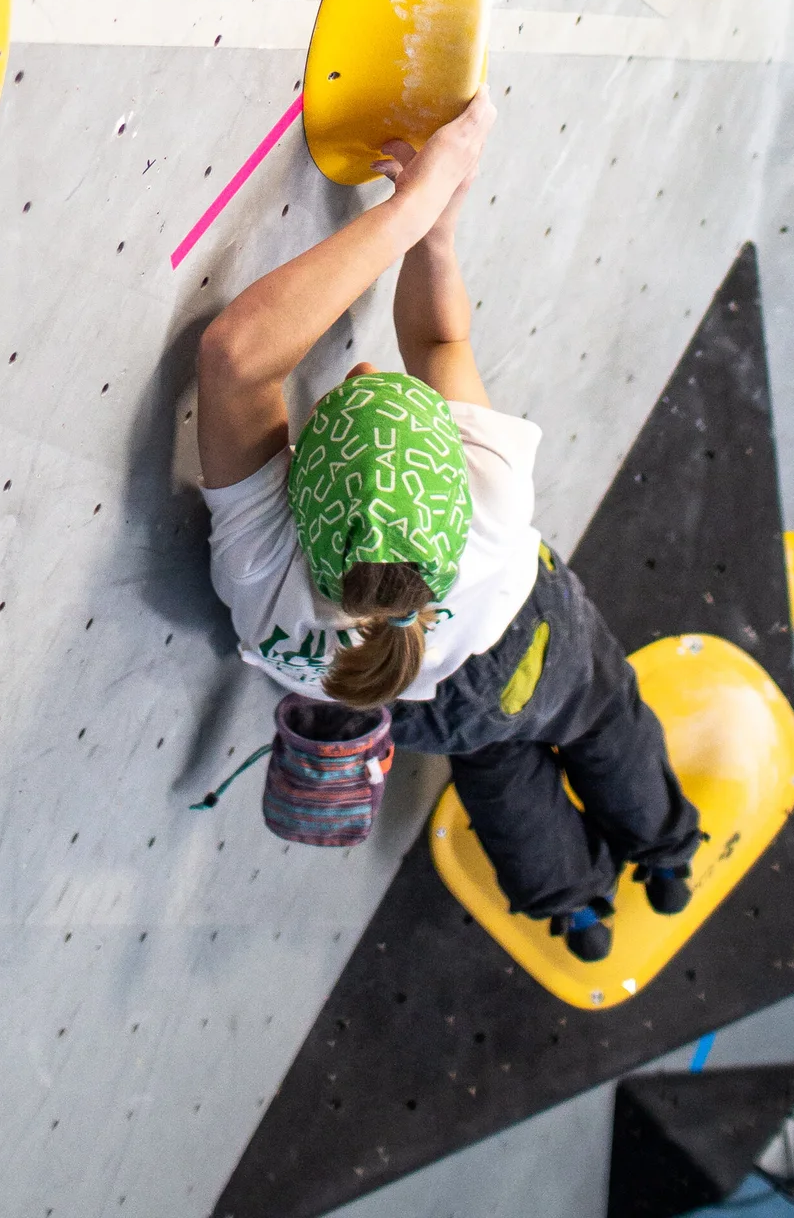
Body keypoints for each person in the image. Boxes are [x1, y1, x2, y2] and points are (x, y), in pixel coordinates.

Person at [194, 86, 702, 959]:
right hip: (532, 656)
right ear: (452, 485)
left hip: (409, 704)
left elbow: (240, 359)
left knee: (498, 772)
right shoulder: (490, 503)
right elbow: (437, 350)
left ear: (300, 493)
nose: (357, 370)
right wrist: (431, 224)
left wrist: (417, 209)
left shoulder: (264, 578)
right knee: (604, 723)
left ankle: (575, 908)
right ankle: (664, 854)